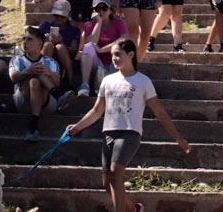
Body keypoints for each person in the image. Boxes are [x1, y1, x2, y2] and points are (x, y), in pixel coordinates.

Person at [66, 37, 191, 212]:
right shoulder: (108, 80)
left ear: (131, 54)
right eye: (112, 55)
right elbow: (97, 110)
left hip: (129, 133)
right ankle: (134, 209)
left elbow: (159, 111)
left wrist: (178, 138)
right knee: (107, 183)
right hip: (108, 133)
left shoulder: (143, 81)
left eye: (118, 54)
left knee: (116, 171)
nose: (114, 58)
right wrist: (78, 126)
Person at [9, 26, 66, 142]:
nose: (25, 42)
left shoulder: (50, 62)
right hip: (23, 102)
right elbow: (13, 77)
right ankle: (58, 95)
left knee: (37, 76)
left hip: (47, 103)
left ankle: (33, 125)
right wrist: (28, 71)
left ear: (40, 43)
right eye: (24, 39)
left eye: (29, 39)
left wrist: (48, 72)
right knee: (35, 75)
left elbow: (57, 82)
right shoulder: (17, 59)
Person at [77, 0, 128, 96]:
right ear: (93, 11)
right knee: (88, 47)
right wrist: (99, 22)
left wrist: (102, 49)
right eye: (97, 9)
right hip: (97, 64)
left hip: (114, 62)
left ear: (110, 10)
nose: (101, 12)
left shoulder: (118, 23)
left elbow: (124, 39)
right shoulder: (89, 25)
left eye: (104, 8)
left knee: (125, 48)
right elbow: (91, 42)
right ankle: (85, 85)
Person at [40, 0, 82, 91]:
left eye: (62, 16)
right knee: (48, 46)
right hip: (47, 54)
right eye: (56, 15)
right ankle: (43, 78)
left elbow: (73, 51)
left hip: (65, 57)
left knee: (60, 47)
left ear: (69, 14)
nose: (58, 18)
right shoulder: (45, 26)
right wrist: (45, 40)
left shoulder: (73, 30)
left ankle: (70, 82)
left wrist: (61, 42)